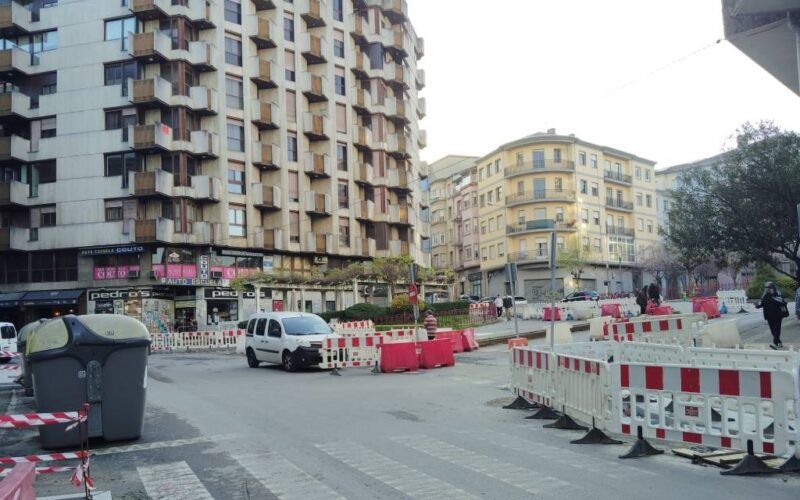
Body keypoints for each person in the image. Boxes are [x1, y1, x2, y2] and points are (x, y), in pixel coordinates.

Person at [756, 282, 786, 349]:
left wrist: (773, 296)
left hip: (778, 315)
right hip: (769, 315)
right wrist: (756, 305)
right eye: (766, 288)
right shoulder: (765, 295)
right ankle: (779, 342)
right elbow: (761, 304)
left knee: (777, 329)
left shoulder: (778, 293)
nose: (768, 290)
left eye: (769, 288)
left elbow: (782, 301)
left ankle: (775, 343)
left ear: (773, 288)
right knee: (773, 330)